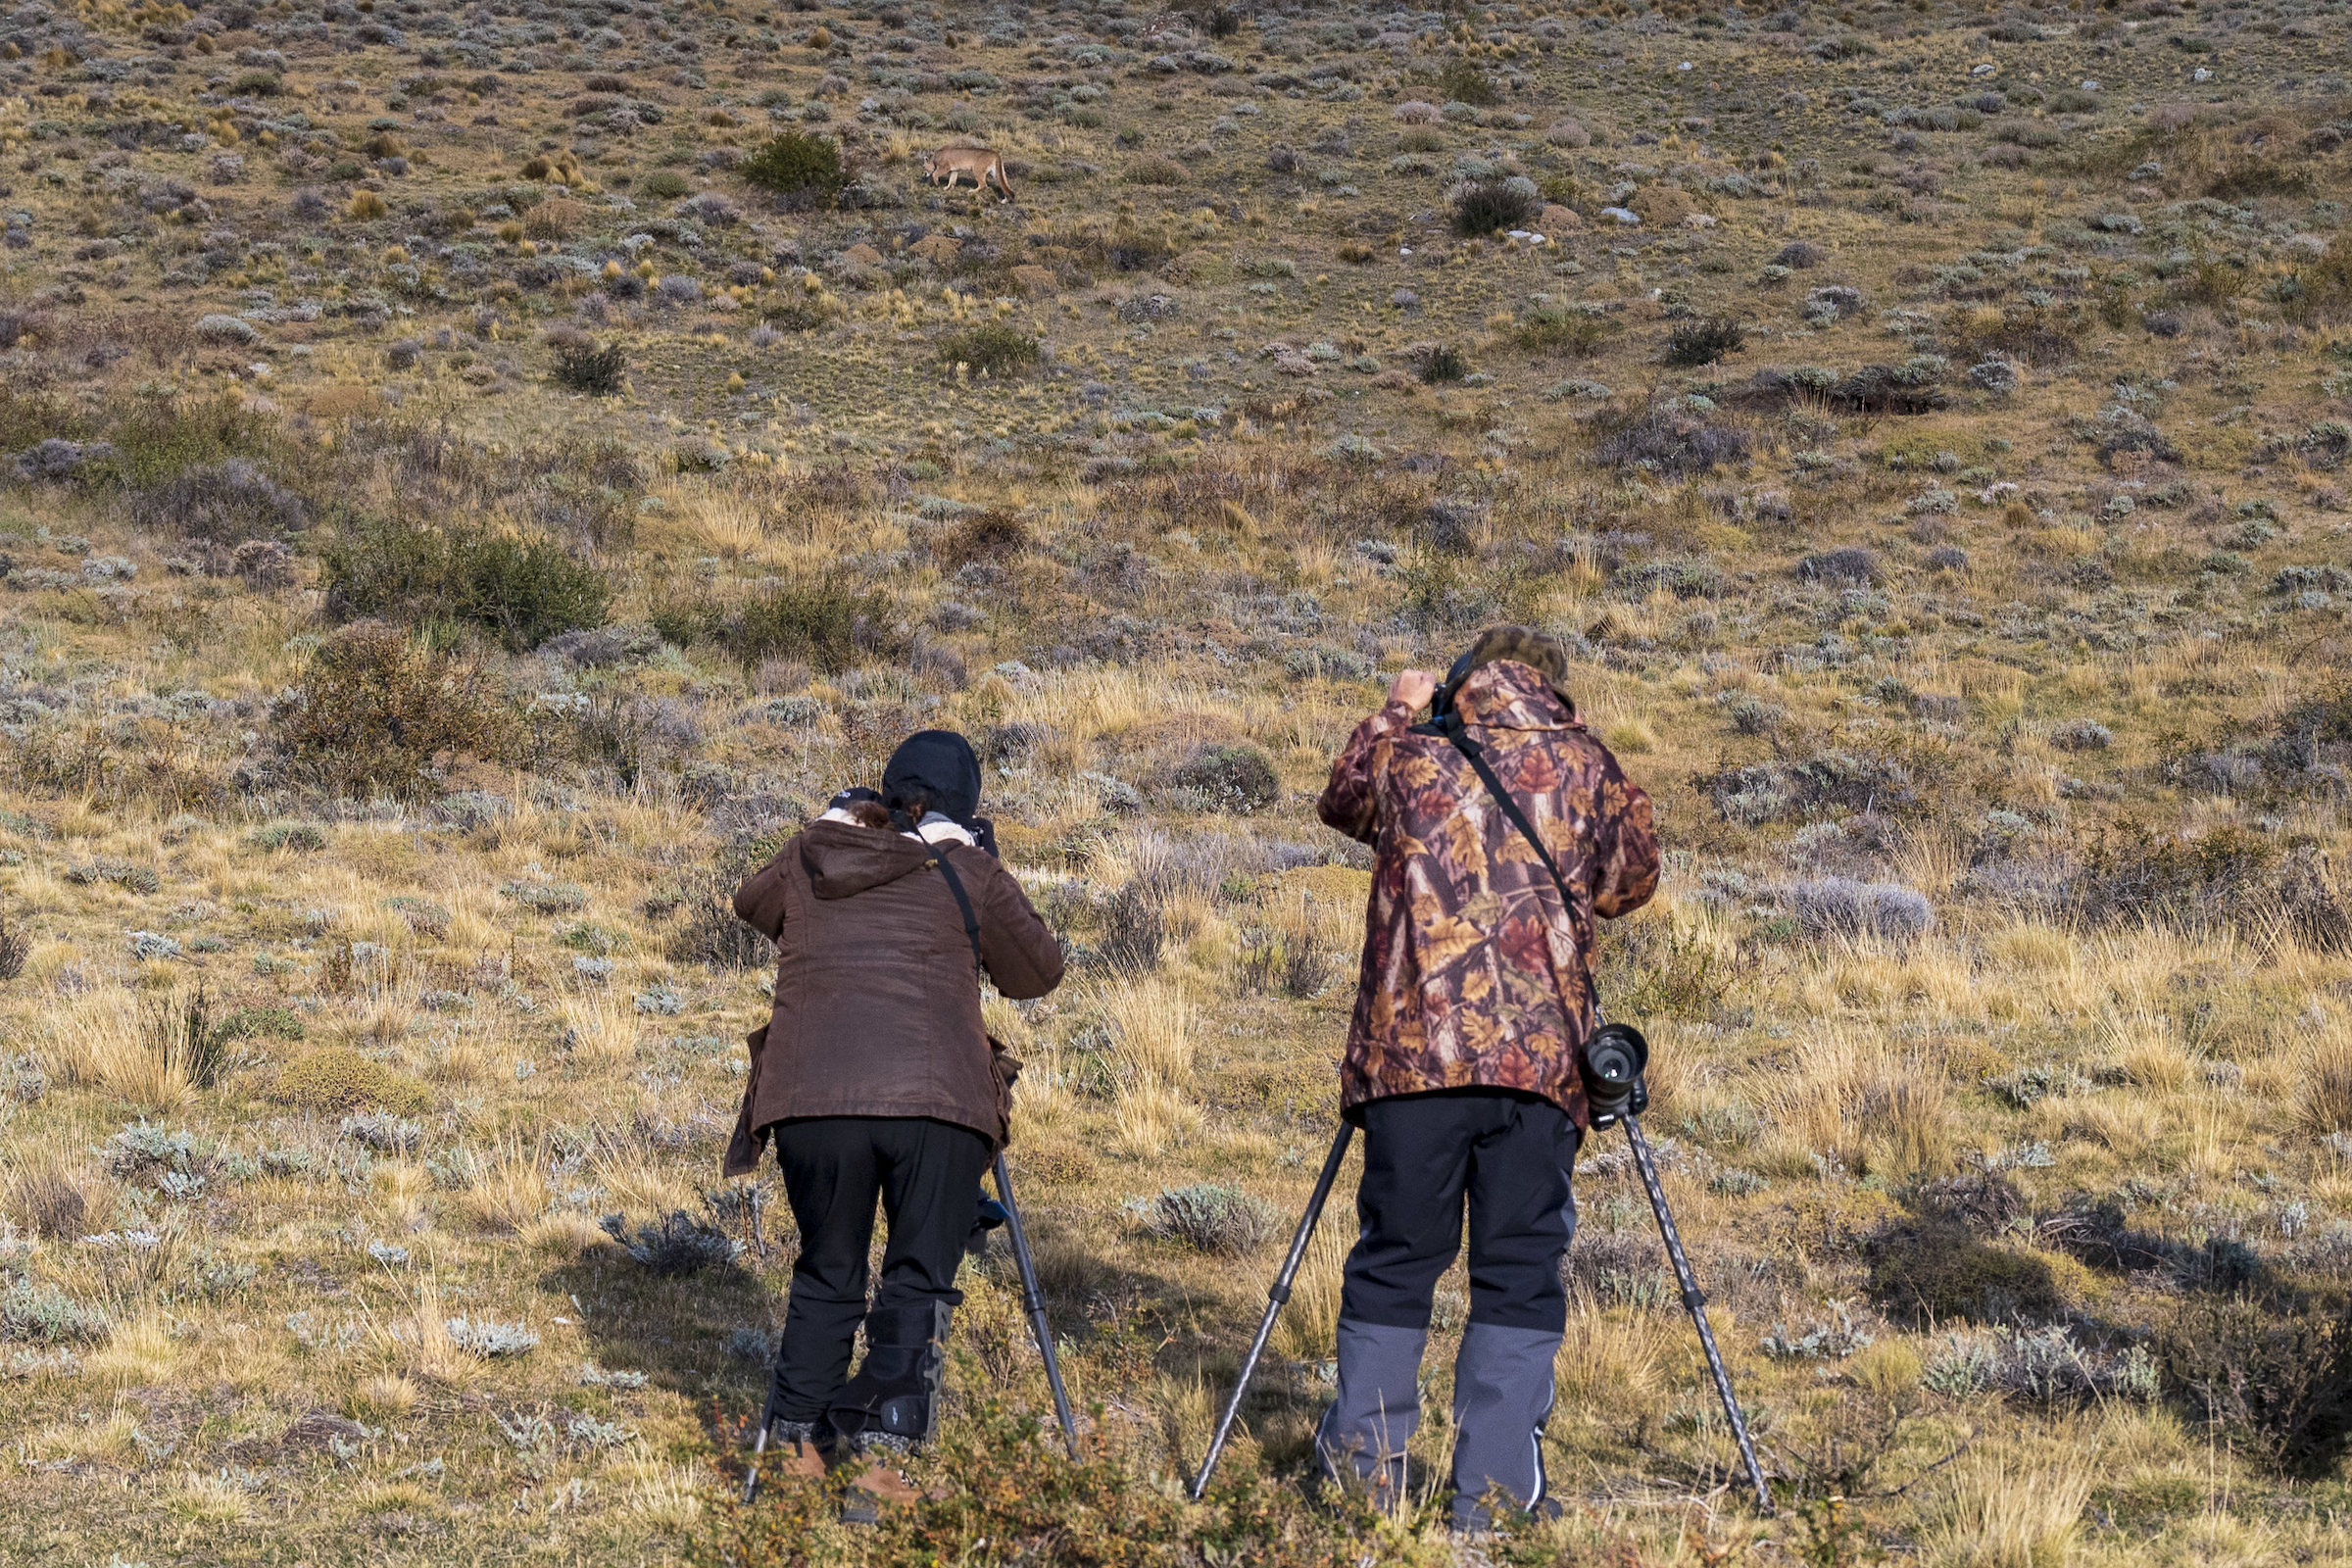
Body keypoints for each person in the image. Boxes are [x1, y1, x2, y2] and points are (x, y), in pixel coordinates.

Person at [1310, 625, 1660, 1534]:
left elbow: (1341, 800)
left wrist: (1396, 708)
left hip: (1411, 1061)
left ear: (1463, 682)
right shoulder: (1589, 766)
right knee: (1517, 1273)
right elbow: (1632, 883)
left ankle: (1362, 1489)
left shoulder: (1411, 756)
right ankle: (1492, 1506)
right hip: (1540, 1074)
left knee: (1395, 1264)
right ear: (1556, 687)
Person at [725, 731, 1064, 1517]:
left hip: (812, 1100)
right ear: (967, 807)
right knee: (916, 1279)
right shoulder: (970, 871)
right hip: (937, 1106)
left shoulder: (816, 857)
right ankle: (879, 1478)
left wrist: (827, 824)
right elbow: (1037, 973)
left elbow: (751, 902)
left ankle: (795, 1468)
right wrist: (978, 856)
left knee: (827, 1270)